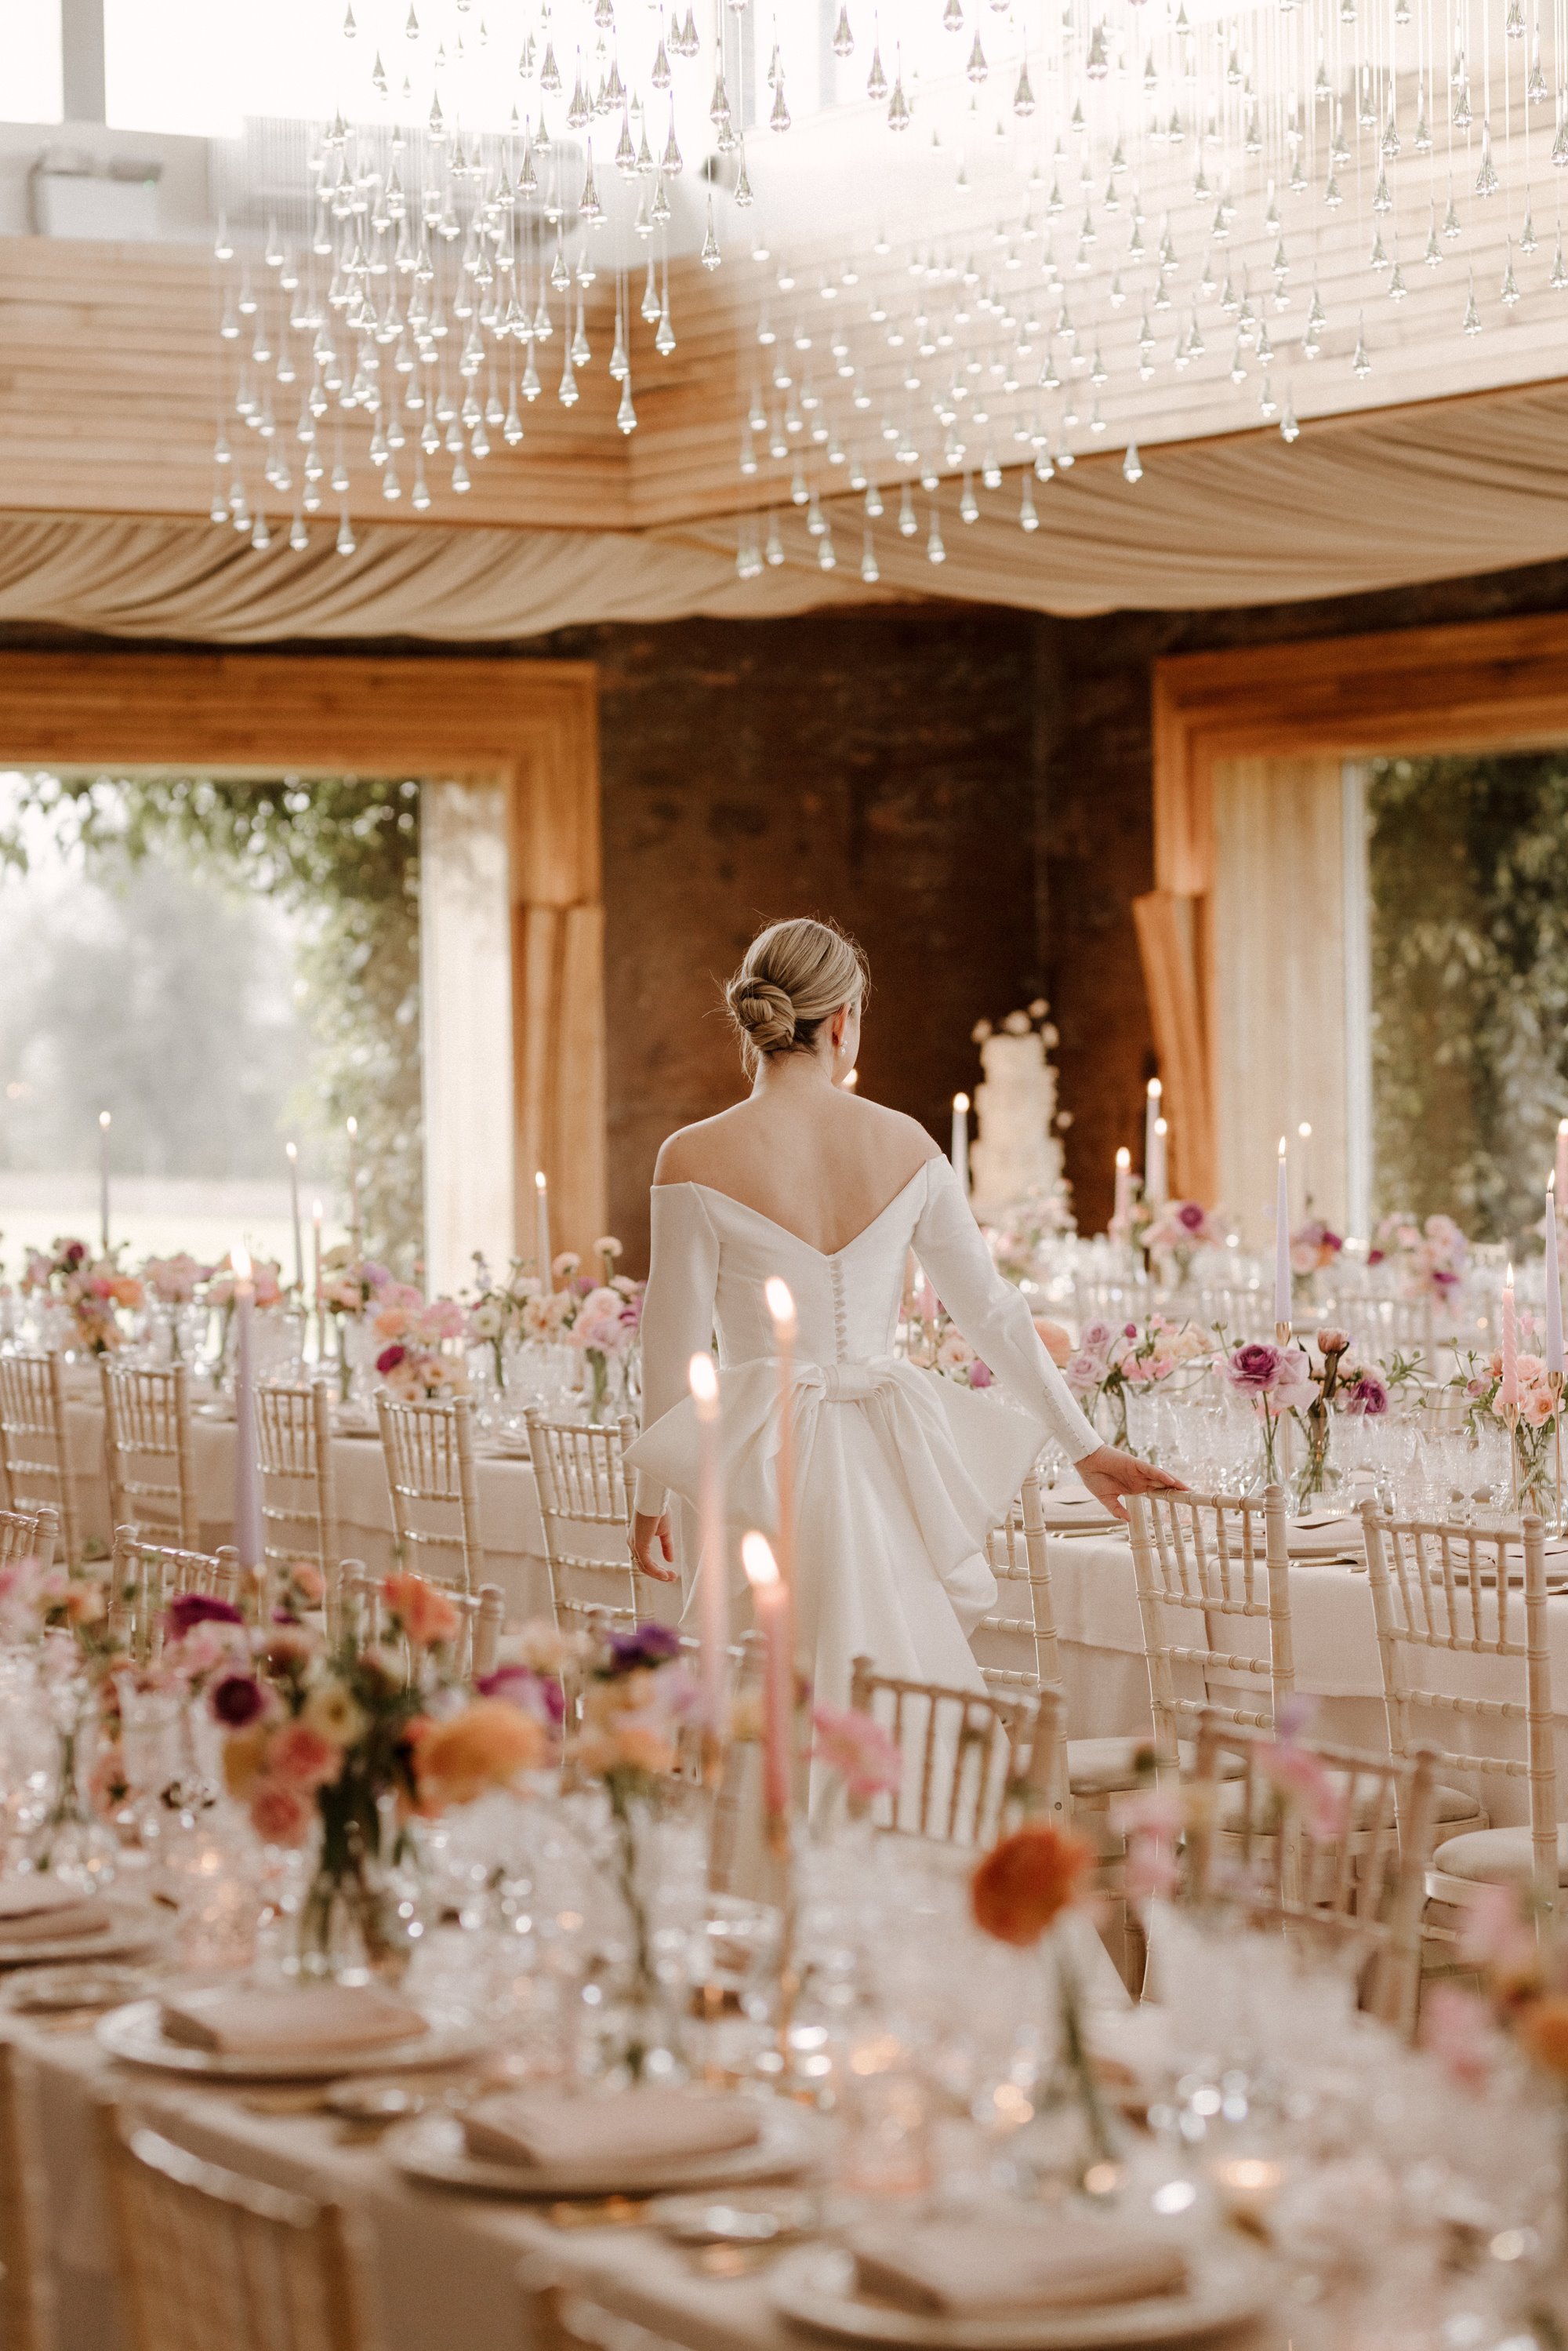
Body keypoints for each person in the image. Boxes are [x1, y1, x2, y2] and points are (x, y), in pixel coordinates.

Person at [625, 916, 1181, 1724]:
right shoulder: (907, 1145)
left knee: (766, 1704)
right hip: (891, 1462)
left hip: (760, 1465)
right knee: (897, 1694)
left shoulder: (690, 1155)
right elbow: (991, 1311)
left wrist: (650, 1495)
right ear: (842, 1021)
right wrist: (1083, 1445)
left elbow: (669, 1348)